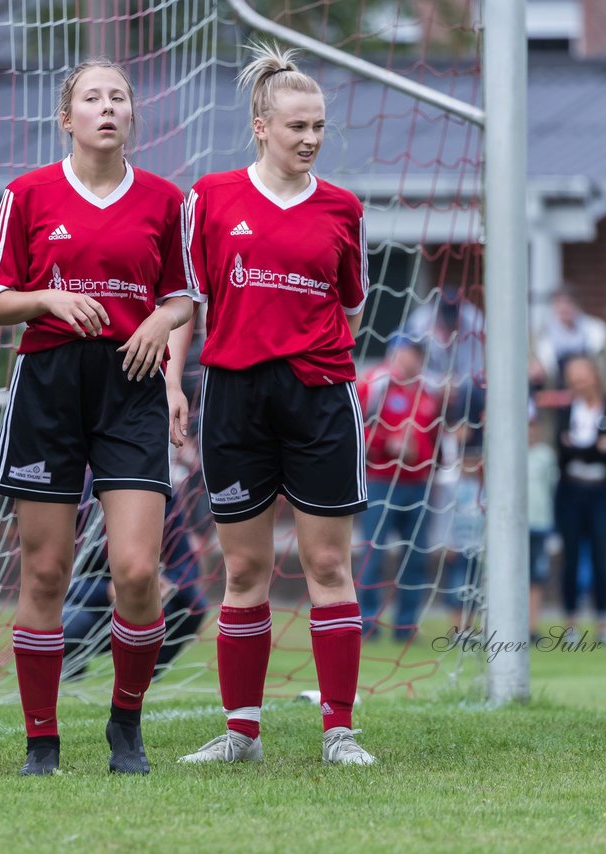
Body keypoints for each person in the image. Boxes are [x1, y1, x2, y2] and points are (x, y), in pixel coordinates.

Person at [0, 58, 196, 776]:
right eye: (92, 98)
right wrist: (46, 300)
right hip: (50, 386)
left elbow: (183, 297)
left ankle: (125, 728)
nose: (108, 107)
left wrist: (161, 325)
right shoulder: (27, 194)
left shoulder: (166, 201)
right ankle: (42, 742)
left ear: (134, 116)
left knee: (136, 570)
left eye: (119, 97)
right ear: (66, 118)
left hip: (130, 386)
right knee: (45, 573)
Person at [172, 42, 374, 766]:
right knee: (245, 570)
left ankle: (339, 731)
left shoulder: (344, 209)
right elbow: (185, 304)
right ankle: (242, 733)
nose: (311, 138)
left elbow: (348, 304)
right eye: (296, 126)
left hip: (319, 396)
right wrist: (172, 381)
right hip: (232, 397)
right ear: (261, 125)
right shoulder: (211, 199)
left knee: (327, 564)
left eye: (318, 126)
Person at [62, 494, 208, 682]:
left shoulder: (161, 496)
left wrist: (168, 584)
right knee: (66, 623)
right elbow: (60, 582)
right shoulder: (80, 498)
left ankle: (148, 673)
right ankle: (71, 673)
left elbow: (187, 564)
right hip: (93, 606)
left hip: (145, 600)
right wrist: (107, 590)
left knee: (194, 603)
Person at [355, 334, 441, 641]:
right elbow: (356, 429)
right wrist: (385, 445)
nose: (413, 359)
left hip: (418, 485)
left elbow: (436, 438)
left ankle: (406, 625)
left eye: (418, 354)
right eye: (408, 352)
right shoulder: (373, 384)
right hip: (380, 482)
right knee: (373, 554)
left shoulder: (428, 390)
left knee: (415, 557)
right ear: (395, 352)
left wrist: (429, 460)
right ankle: (366, 623)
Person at [555, 354, 606, 646]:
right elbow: (562, 451)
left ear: (595, 376)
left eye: (581, 377)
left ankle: (603, 625)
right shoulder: (565, 411)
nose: (577, 384)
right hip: (570, 491)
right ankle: (570, 625)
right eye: (572, 379)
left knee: (602, 557)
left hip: (602, 492)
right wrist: (597, 449)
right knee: (570, 558)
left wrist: (584, 450)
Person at [528, 412, 558, 642]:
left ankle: (532, 627)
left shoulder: (545, 456)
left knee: (536, 577)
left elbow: (551, 485)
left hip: (539, 523)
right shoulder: (505, 453)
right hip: (508, 528)